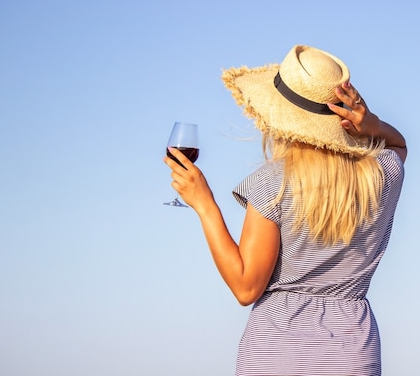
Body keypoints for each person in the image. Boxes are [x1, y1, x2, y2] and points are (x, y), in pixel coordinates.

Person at [164, 45, 407, 376]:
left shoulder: (272, 184)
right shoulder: (384, 172)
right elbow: (398, 145)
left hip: (276, 349)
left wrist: (204, 204)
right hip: (353, 350)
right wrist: (373, 125)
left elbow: (246, 287)